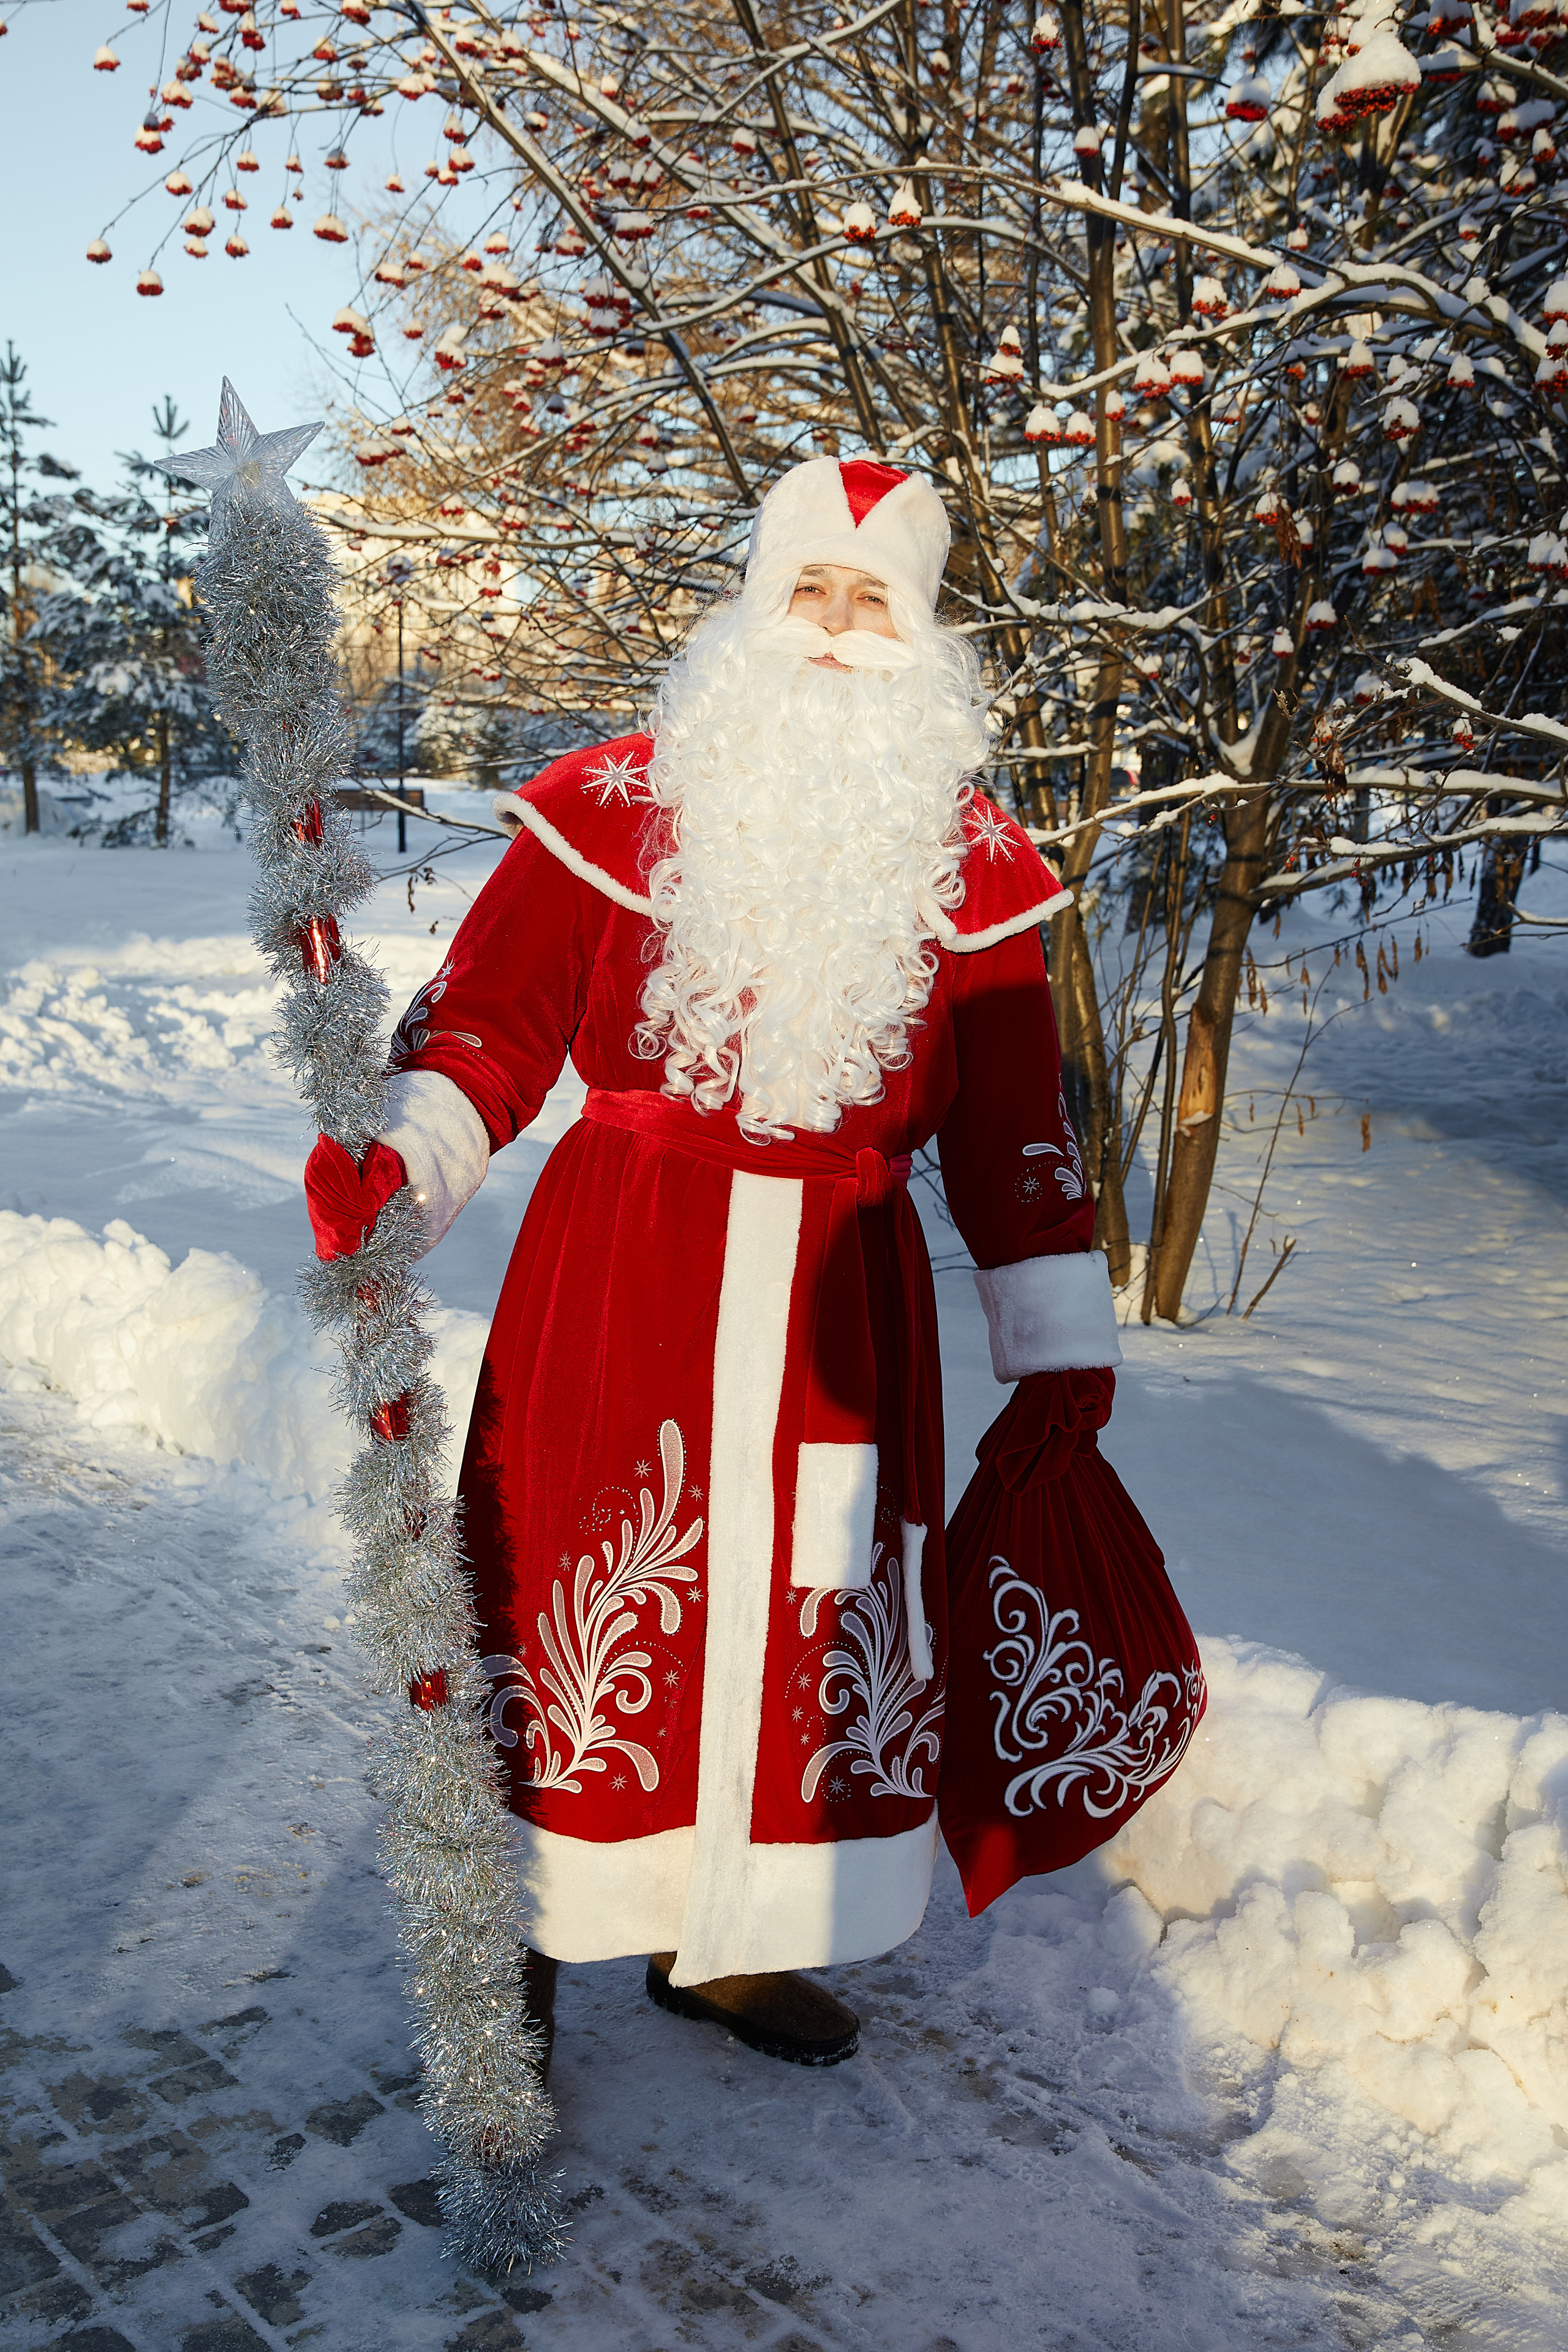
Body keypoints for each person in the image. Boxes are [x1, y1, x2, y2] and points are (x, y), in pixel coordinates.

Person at [306, 456, 1204, 2077]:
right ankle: (518, 1946)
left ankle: (727, 1945)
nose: (843, 632)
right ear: (753, 606)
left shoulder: (980, 868)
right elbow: (496, 1028)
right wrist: (402, 1162)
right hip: (621, 1278)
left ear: (925, 638)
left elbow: (1015, 1126)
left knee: (807, 1623)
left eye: (880, 604)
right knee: (579, 1606)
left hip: (838, 1306)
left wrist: (1057, 1340)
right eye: (813, 592)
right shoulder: (605, 809)